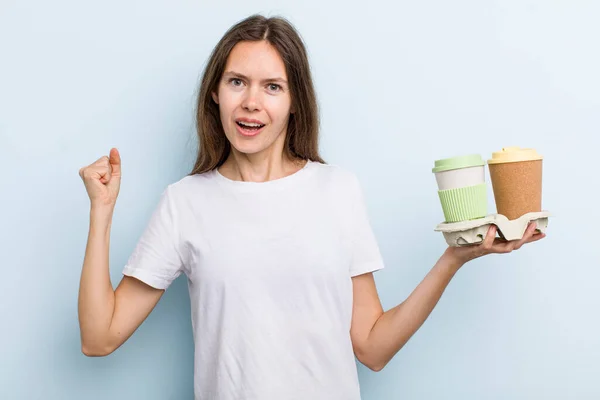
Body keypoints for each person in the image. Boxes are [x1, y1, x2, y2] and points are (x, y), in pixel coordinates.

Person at [77, 14, 546, 400]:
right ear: (215, 93)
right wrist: (102, 212)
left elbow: (372, 348)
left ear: (296, 100)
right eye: (237, 82)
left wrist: (454, 258)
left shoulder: (337, 190)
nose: (251, 103)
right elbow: (99, 338)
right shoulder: (185, 202)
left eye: (273, 87)